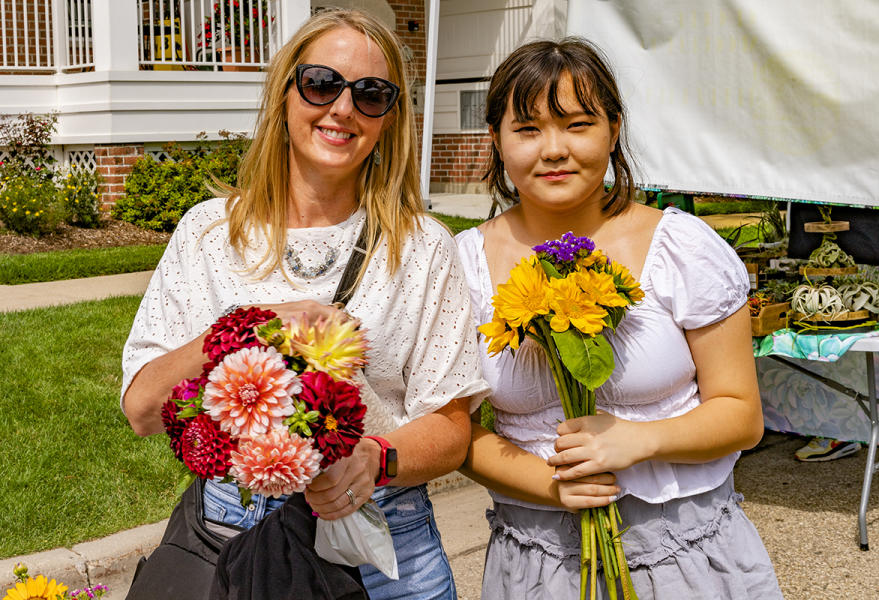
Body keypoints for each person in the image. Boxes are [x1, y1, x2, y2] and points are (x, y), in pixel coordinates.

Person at [121, 9, 489, 599]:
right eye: (322, 83)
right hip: (230, 537)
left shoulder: (422, 247)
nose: (343, 108)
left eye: (371, 94)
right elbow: (142, 408)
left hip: (382, 544)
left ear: (391, 119)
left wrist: (375, 458)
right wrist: (245, 331)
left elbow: (451, 428)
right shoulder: (211, 234)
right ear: (286, 93)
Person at [455, 38, 783, 598]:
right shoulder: (461, 264)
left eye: (577, 125)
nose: (553, 150)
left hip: (687, 551)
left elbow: (741, 415)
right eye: (528, 129)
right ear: (496, 141)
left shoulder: (679, 246)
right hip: (537, 561)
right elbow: (454, 431)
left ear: (613, 128)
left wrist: (641, 440)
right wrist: (550, 484)